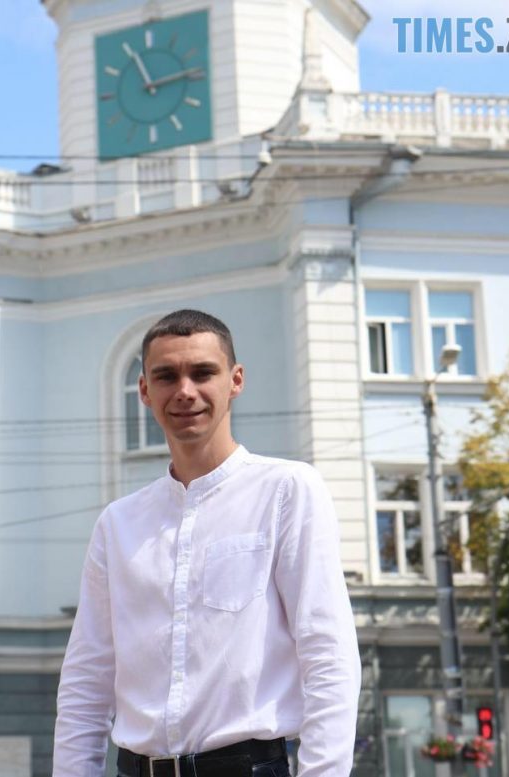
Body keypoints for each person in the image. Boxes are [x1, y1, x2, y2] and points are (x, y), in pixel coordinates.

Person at [53, 309, 361, 777]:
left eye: (202, 373)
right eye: (166, 376)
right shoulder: (118, 524)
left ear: (235, 380)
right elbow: (86, 681)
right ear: (144, 390)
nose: (185, 391)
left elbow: (329, 654)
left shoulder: (286, 490)